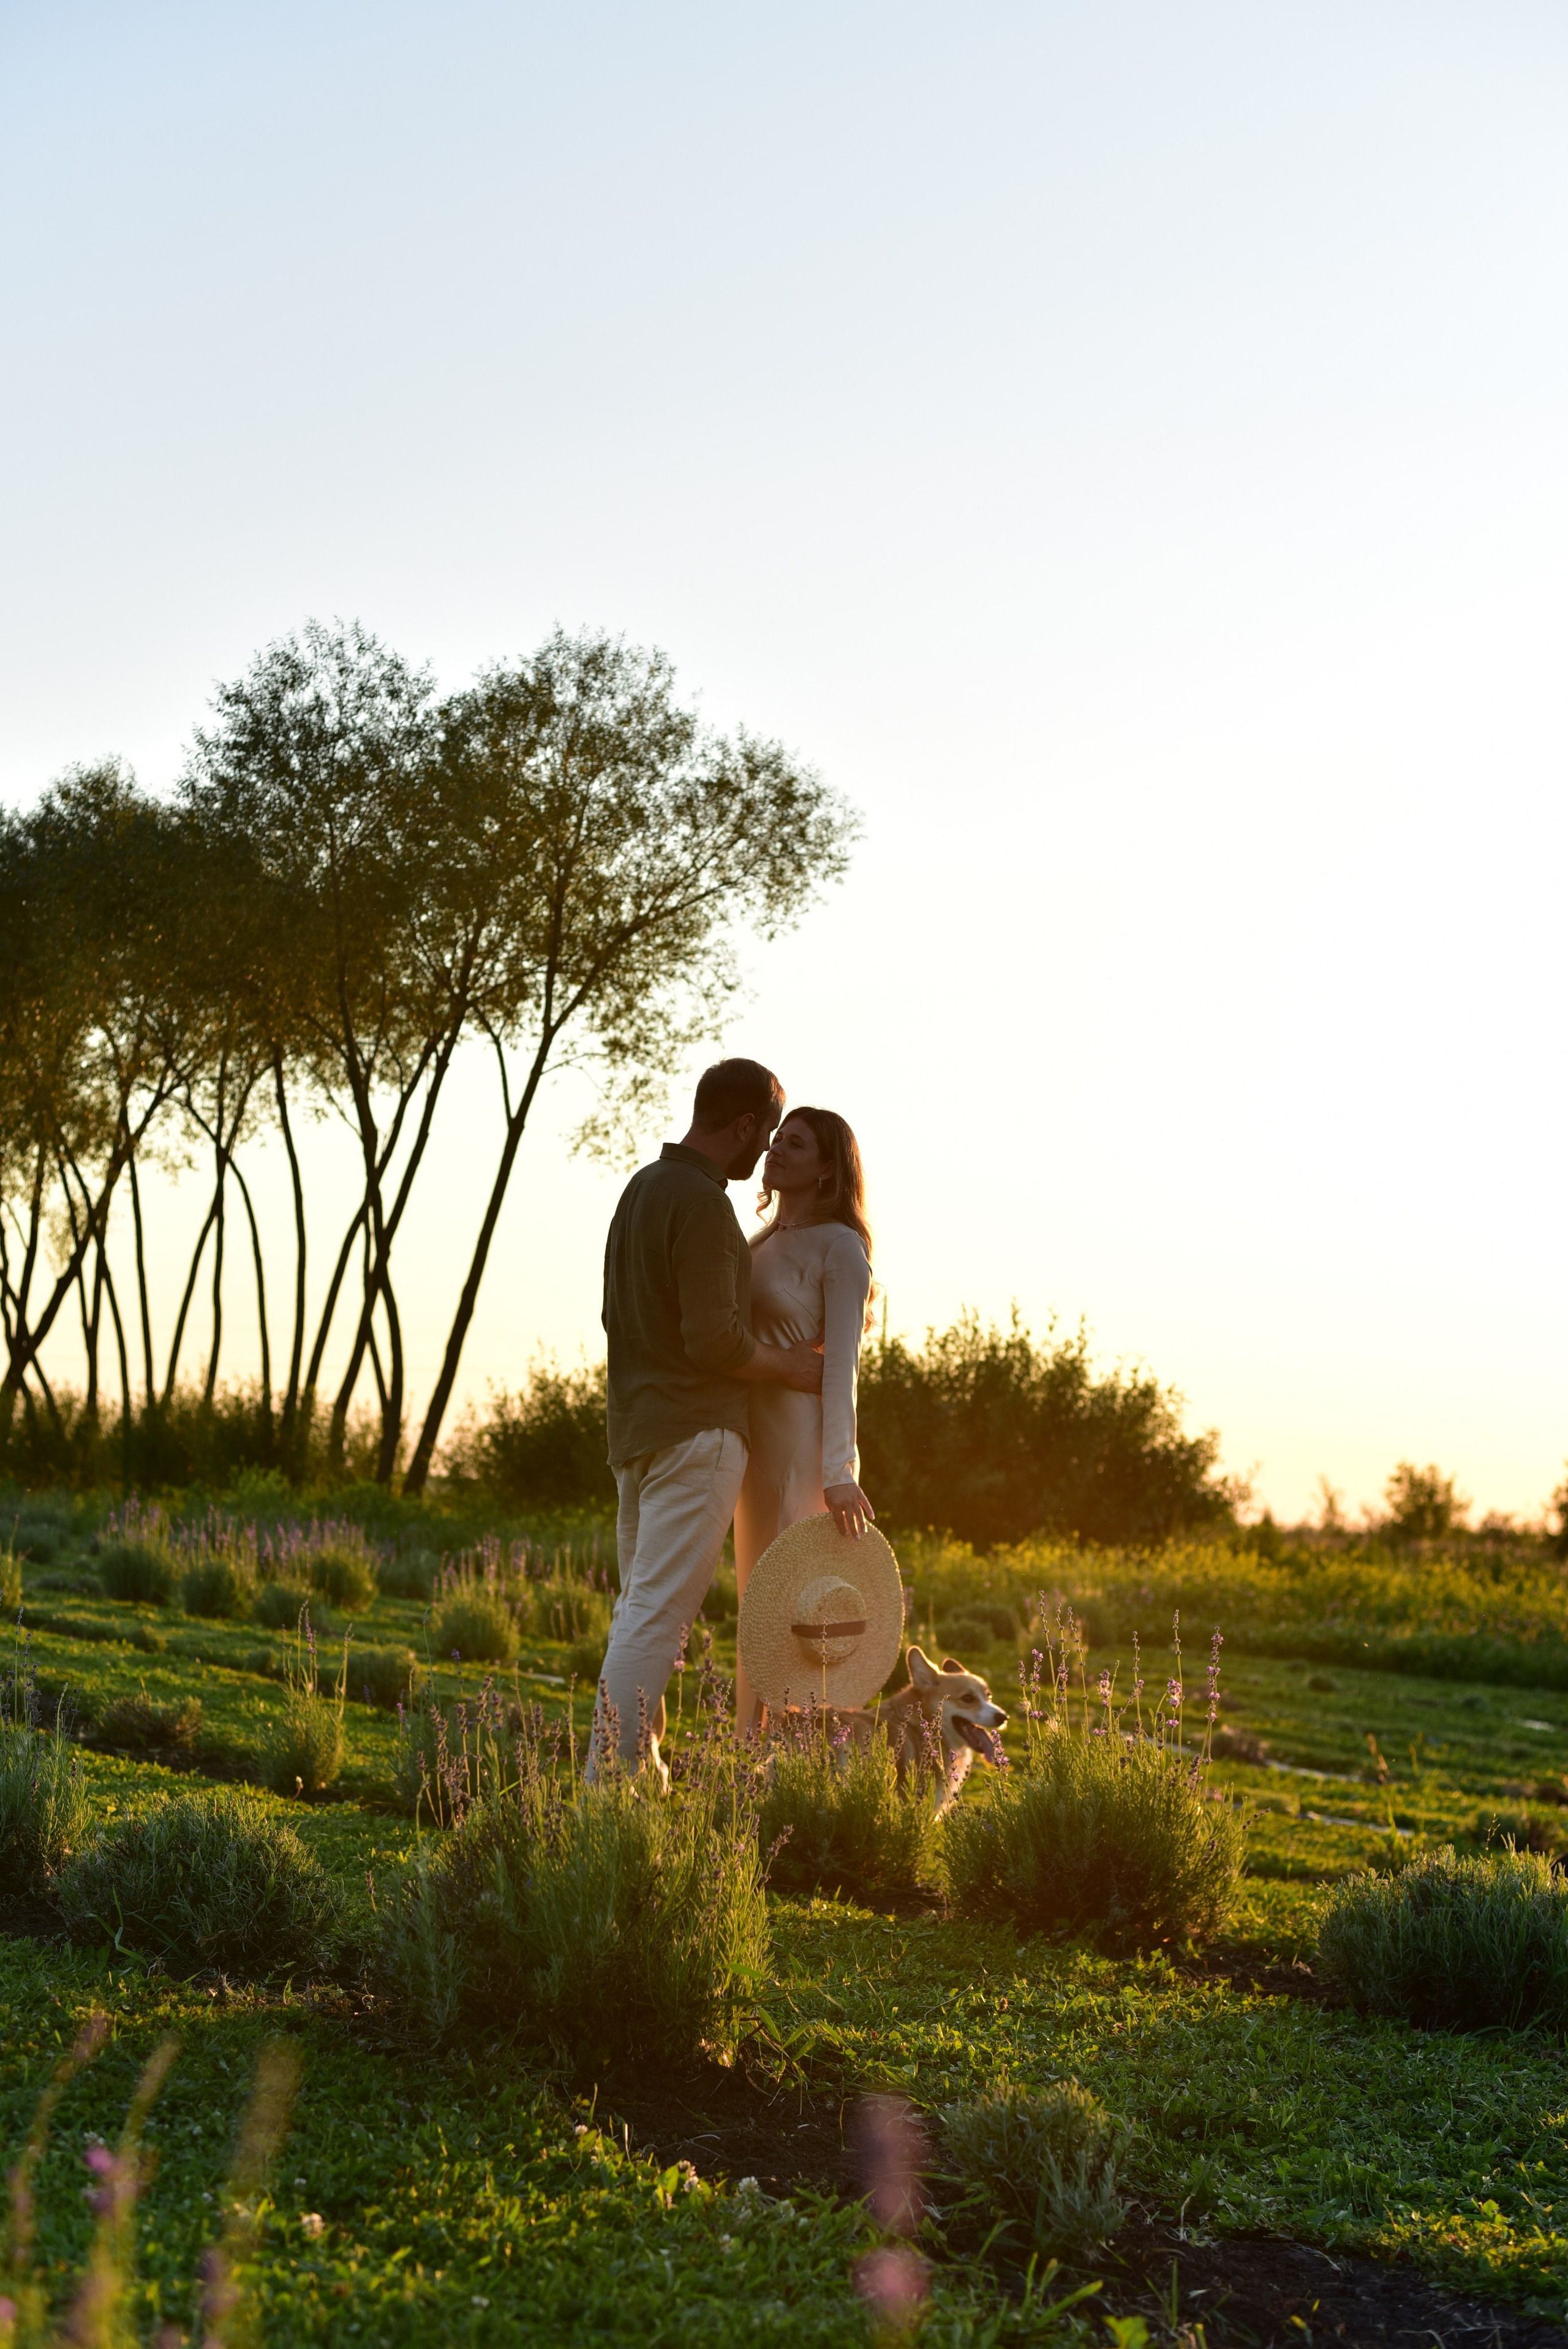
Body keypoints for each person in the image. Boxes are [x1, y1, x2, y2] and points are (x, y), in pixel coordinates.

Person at [591, 1057, 824, 1779]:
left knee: (638, 1608)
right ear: (745, 1125)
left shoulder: (640, 1190)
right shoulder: (702, 1204)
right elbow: (715, 1341)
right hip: (696, 1438)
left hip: (634, 1434)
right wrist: (788, 1365)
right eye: (767, 1134)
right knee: (657, 1617)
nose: (766, 1154)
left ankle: (642, 1776)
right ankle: (604, 1793)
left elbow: (612, 1315)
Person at [733, 1106, 876, 1734]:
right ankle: (745, 1746)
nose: (778, 1148)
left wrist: (839, 1469)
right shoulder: (756, 1242)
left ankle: (791, 1755)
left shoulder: (842, 1247)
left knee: (788, 1599)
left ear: (826, 1171)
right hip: (749, 1442)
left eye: (796, 1144)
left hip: (803, 1443)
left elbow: (843, 1363)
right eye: (777, 1138)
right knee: (751, 1598)